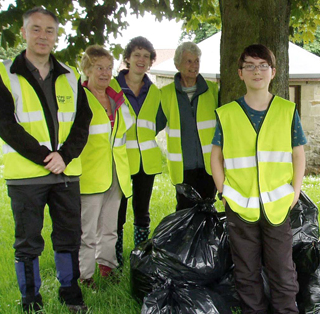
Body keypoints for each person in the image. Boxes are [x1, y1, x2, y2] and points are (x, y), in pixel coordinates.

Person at [0, 7, 91, 314]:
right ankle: (31, 301)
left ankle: (70, 294)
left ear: (56, 36)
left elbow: (82, 121)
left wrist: (65, 156)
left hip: (66, 174)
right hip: (26, 176)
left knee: (69, 239)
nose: (43, 36)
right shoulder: (4, 73)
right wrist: (47, 157)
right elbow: (4, 124)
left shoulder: (70, 74)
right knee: (28, 243)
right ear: (23, 33)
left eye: (49, 30)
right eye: (36, 29)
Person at [210, 44, 306, 314]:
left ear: (273, 72)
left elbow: (298, 154)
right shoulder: (227, 114)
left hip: (278, 204)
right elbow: (216, 155)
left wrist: (296, 192)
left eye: (263, 65)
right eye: (249, 65)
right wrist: (222, 189)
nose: (256, 71)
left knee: (281, 267)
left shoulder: (286, 110)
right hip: (240, 204)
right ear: (240, 73)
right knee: (246, 267)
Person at [78, 45, 134, 287]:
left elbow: (126, 130)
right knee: (87, 232)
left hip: (117, 173)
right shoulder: (79, 99)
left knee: (110, 228)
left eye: (109, 68)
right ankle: (85, 275)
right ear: (87, 70)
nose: (105, 73)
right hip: (90, 174)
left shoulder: (117, 97)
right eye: (99, 67)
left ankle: (107, 268)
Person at [111, 37, 162, 266]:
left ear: (151, 62)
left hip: (147, 160)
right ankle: (116, 258)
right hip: (120, 159)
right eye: (137, 54)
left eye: (146, 56)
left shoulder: (155, 91)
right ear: (127, 59)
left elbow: (158, 121)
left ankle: (140, 257)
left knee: (142, 213)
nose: (141, 60)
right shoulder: (112, 87)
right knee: (118, 213)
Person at [157, 42, 218, 210]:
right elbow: (154, 125)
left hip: (210, 165)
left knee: (207, 210)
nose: (194, 65)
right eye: (189, 61)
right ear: (177, 64)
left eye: (196, 61)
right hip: (183, 167)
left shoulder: (212, 90)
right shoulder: (166, 94)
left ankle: (206, 238)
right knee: (185, 211)